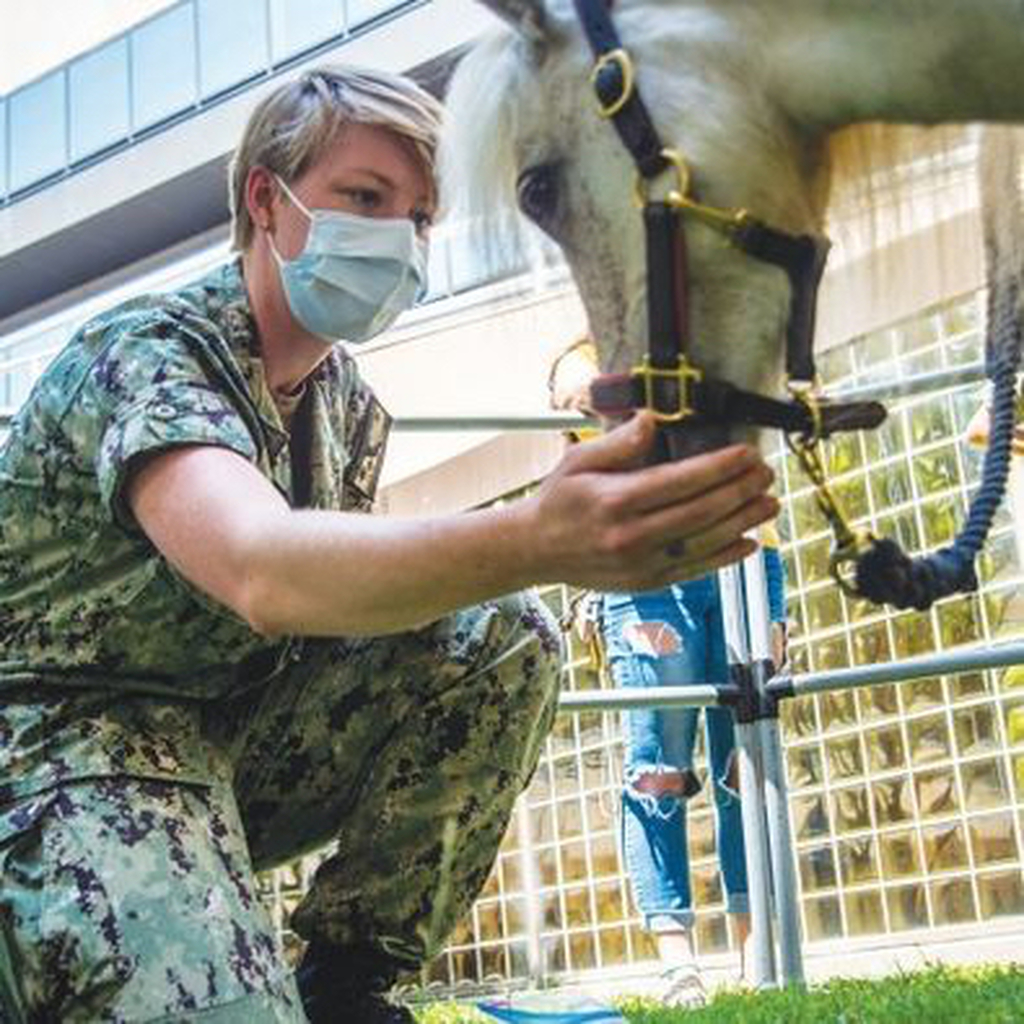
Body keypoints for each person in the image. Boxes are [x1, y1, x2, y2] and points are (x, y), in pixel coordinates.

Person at [0, 68, 779, 1024]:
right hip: (53, 756)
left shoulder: (347, 408)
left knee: (501, 631)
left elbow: (350, 616)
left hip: (221, 739)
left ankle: (347, 986)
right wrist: (536, 533)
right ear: (266, 201)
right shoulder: (149, 353)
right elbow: (261, 567)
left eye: (418, 217)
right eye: (364, 198)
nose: (400, 238)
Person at [550, 339, 787, 1005]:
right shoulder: (582, 357)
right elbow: (580, 398)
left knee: (749, 759)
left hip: (745, 559)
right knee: (656, 763)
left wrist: (779, 600)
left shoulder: (683, 340)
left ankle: (754, 945)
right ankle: (677, 959)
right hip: (647, 580)